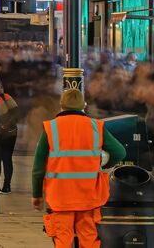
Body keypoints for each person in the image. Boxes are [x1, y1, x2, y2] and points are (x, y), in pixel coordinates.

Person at [31, 87, 128, 248]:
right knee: (89, 236)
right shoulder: (96, 126)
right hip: (88, 195)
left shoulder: (51, 128)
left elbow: (38, 167)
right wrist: (104, 164)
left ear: (62, 106)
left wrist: (36, 195)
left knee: (63, 237)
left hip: (60, 196)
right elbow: (120, 152)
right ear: (84, 106)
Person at [0, 85, 20, 193]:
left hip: (6, 134)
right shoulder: (5, 98)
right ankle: (2, 185)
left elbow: (16, 113)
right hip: (8, 133)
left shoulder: (4, 98)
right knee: (3, 159)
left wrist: (5, 125)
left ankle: (5, 185)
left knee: (3, 159)